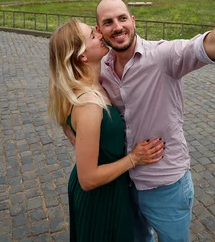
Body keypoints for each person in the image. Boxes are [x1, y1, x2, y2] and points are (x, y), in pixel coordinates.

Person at [66, 0, 215, 241]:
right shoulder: (102, 69)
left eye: (122, 18)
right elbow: (66, 94)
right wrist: (79, 138)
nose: (118, 27)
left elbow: (207, 46)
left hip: (165, 185)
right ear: (99, 31)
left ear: (133, 20)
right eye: (108, 22)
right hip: (122, 185)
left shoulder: (162, 56)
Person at [49, 19, 165, 241]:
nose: (100, 35)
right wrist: (134, 159)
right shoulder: (89, 104)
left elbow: (63, 116)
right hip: (100, 196)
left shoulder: (90, 83)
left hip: (112, 188)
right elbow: (88, 178)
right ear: (82, 56)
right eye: (92, 36)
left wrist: (75, 135)